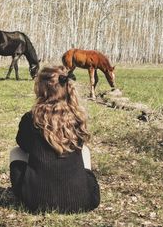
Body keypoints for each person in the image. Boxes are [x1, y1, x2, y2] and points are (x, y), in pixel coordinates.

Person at [9, 65, 100, 213]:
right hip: (82, 201)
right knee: (85, 151)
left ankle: (38, 184)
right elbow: (80, 144)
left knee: (15, 152)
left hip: (36, 201)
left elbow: (23, 146)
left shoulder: (30, 118)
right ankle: (78, 185)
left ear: (41, 89)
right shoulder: (77, 118)